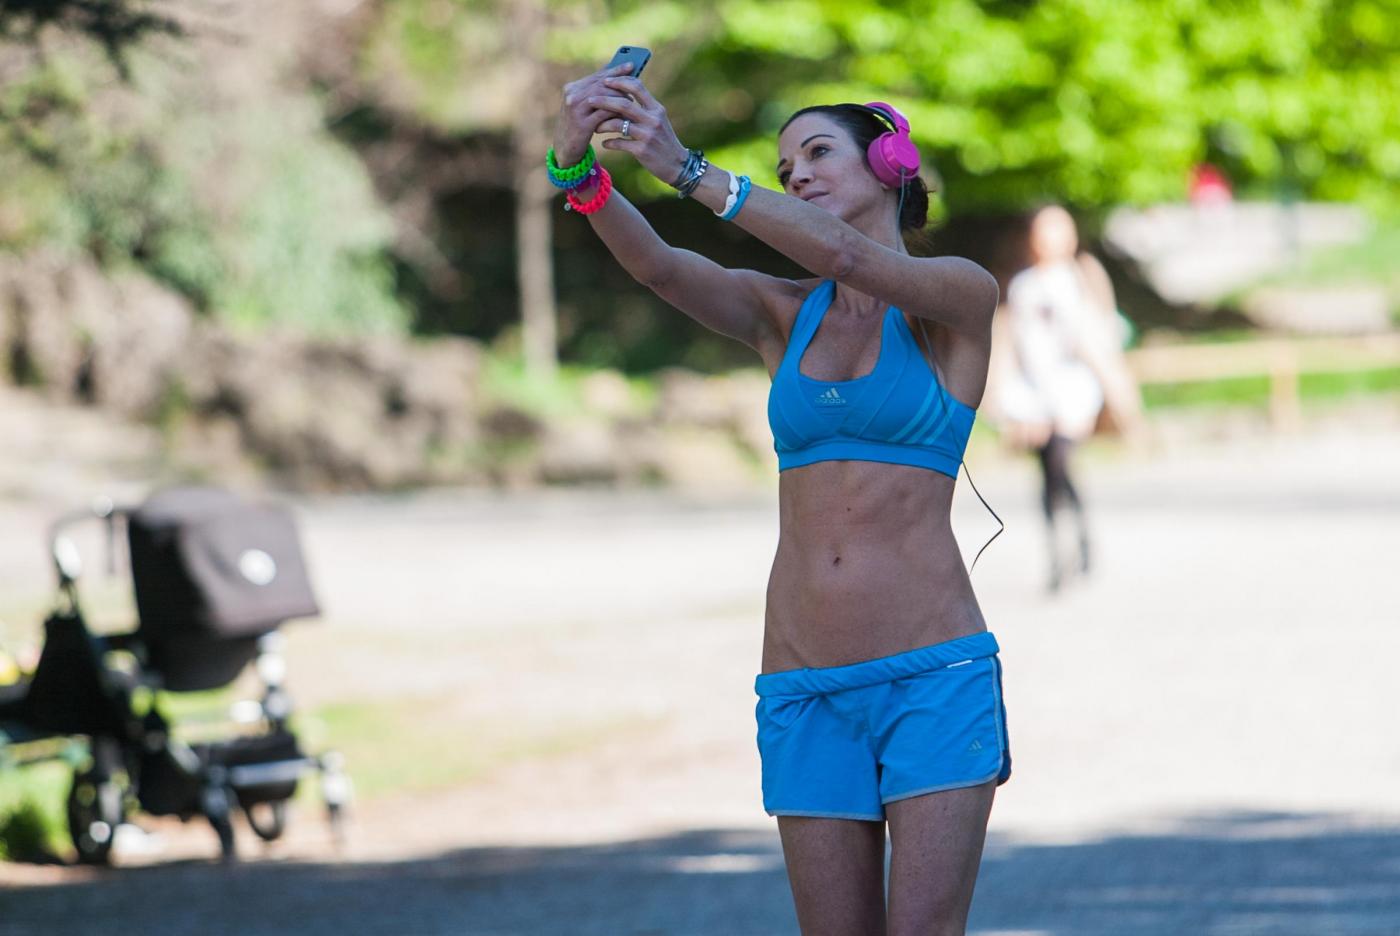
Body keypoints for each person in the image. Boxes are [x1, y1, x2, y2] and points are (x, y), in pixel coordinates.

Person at [552, 61, 1008, 935]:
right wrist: (578, 167)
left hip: (934, 677)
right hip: (801, 684)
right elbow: (655, 266)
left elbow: (848, 255)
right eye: (783, 159)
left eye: (816, 151)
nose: (795, 170)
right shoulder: (779, 312)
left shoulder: (957, 298)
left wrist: (686, 166)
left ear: (889, 164)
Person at [988, 204, 1145, 592]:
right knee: (1048, 468)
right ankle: (1065, 544)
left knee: (1059, 458)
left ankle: (1073, 540)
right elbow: (1011, 341)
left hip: (1073, 387)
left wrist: (1120, 395)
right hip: (1035, 391)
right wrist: (1002, 394)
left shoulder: (1080, 279)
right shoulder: (1023, 285)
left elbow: (1098, 339)